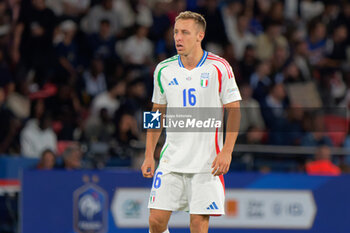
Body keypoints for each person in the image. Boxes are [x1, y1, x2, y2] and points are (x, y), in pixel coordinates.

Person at [141, 11, 241, 233]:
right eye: (176, 32)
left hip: (206, 163)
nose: (178, 37)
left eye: (185, 32)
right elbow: (156, 113)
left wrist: (227, 151)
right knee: (155, 221)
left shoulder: (219, 67)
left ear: (199, 36)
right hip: (171, 160)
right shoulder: (163, 70)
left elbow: (234, 110)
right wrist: (149, 154)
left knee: (197, 225)